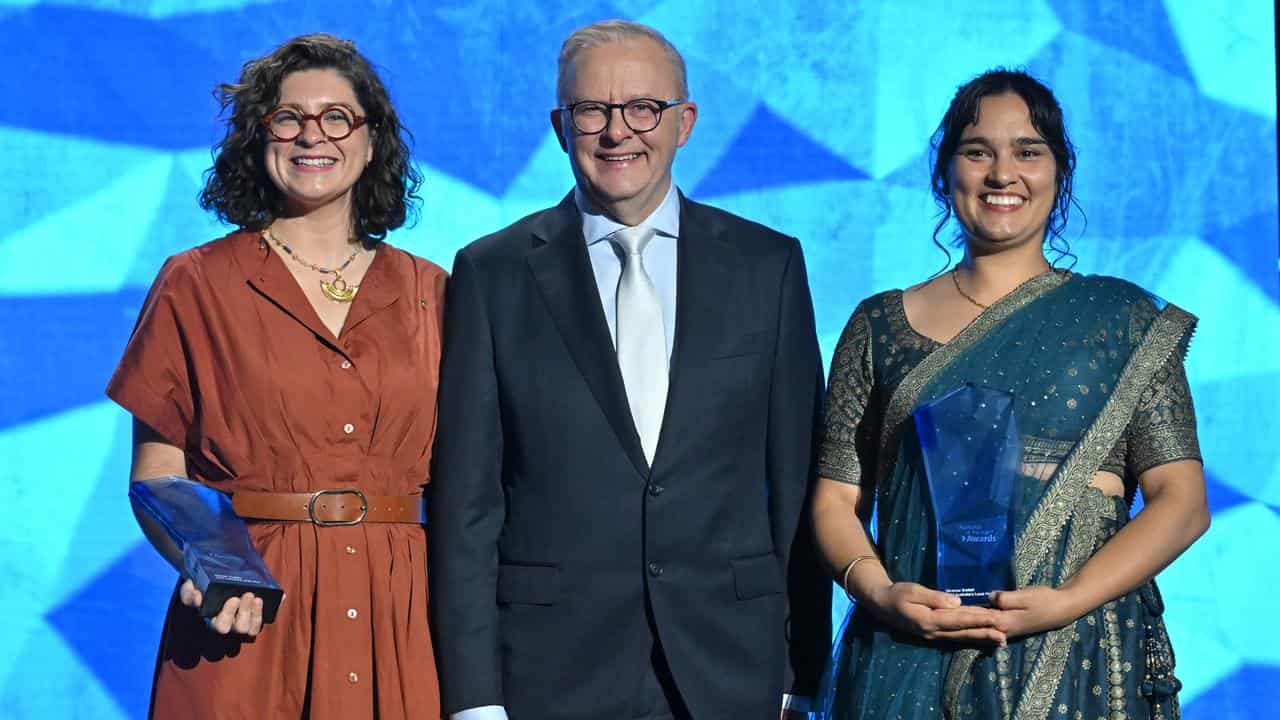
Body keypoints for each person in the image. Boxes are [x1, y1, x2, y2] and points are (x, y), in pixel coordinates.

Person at [429, 19, 830, 720]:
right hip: (551, 673)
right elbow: (468, 502)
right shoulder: (491, 272)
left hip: (733, 667)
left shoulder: (768, 265)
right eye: (593, 110)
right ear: (561, 126)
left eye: (644, 108)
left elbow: (796, 482)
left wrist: (805, 668)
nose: (619, 132)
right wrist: (474, 698)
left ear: (684, 122)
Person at [810, 68, 1210, 719]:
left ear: (1059, 172)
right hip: (906, 657)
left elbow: (1182, 503)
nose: (1003, 173)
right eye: (977, 152)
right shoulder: (880, 326)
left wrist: (1068, 599)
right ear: (944, 175)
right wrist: (881, 594)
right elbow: (834, 500)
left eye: (1028, 151)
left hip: (1078, 653)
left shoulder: (1123, 320)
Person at [106, 34, 444, 719]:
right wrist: (210, 567)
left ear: (372, 139)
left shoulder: (433, 292)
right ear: (260, 139)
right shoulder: (194, 283)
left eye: (336, 117)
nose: (310, 135)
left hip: (404, 620)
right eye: (287, 118)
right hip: (250, 616)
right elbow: (159, 475)